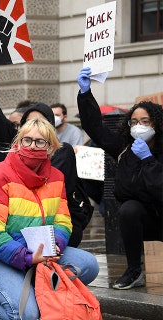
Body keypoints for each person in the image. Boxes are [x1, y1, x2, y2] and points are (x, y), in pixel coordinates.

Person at [0, 118, 99, 319]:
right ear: (17, 144)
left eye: (40, 141)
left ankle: (25, 286)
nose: (32, 146)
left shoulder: (57, 177)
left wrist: (56, 246)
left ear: (51, 148)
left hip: (38, 252)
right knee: (26, 315)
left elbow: (62, 221)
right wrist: (26, 257)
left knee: (89, 265)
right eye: (27, 140)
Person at [0, 59, 92, 248]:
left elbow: (57, 198)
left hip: (50, 221)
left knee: (86, 264)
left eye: (41, 123)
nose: (34, 132)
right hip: (19, 226)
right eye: (28, 124)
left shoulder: (62, 152)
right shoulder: (18, 145)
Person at [77, 66, 163, 290]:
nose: (138, 126)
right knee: (129, 209)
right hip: (145, 220)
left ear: (156, 123)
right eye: (134, 122)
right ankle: (134, 270)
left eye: (145, 121)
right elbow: (95, 128)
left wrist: (149, 161)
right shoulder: (125, 149)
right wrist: (85, 93)